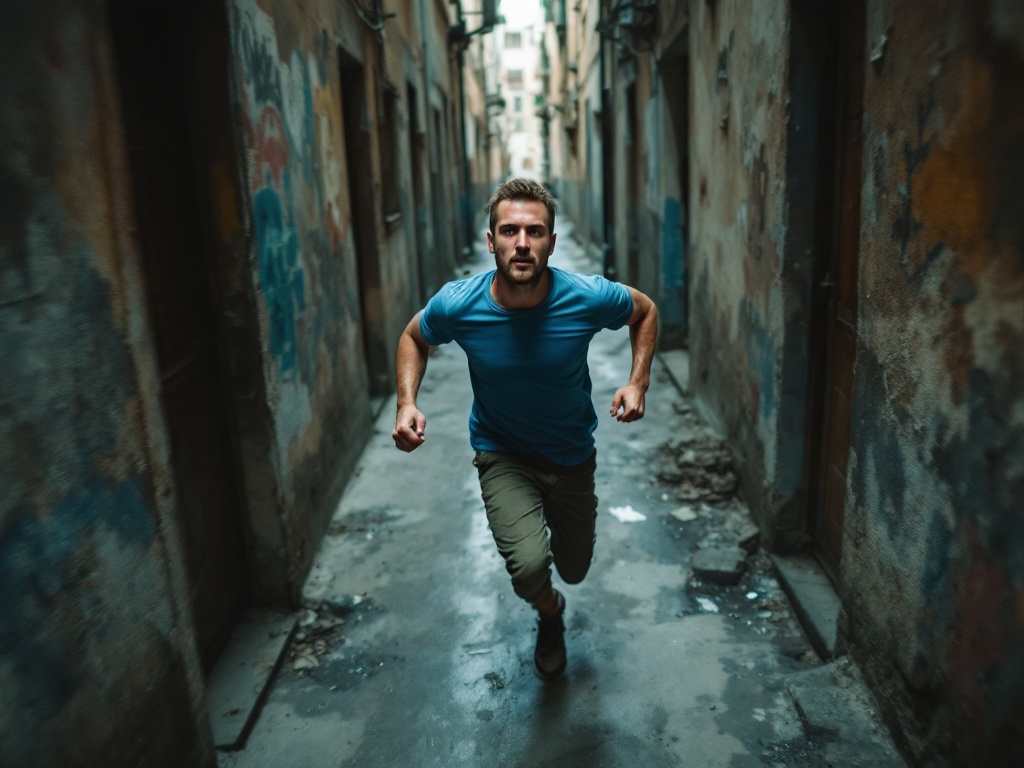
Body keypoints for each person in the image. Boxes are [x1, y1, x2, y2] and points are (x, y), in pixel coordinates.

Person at [392, 178, 658, 680]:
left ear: (551, 243)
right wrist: (407, 402)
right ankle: (549, 614)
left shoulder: (585, 297)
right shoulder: (459, 304)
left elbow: (644, 311)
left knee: (575, 568)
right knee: (530, 567)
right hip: (503, 453)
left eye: (534, 232)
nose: (521, 243)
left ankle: (560, 591)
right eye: (509, 230)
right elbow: (413, 336)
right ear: (490, 240)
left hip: (572, 453)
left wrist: (637, 382)